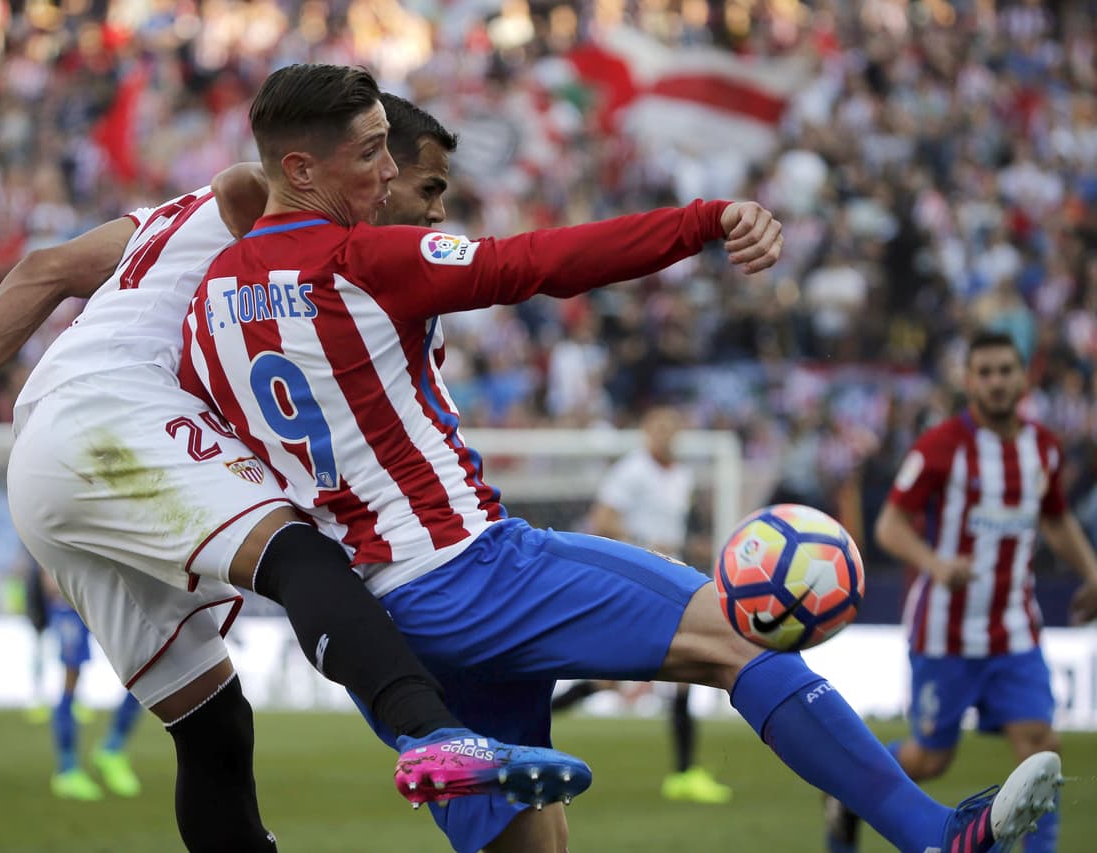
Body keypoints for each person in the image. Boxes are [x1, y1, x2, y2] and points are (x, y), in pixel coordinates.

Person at [180, 62, 1063, 853]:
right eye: (370, 154)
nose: (385, 175)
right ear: (300, 169)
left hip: (383, 627)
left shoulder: (206, 303)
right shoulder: (361, 259)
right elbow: (539, 261)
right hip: (469, 566)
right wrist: (704, 221)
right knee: (738, 636)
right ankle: (932, 833)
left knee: (531, 840)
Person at [0, 97, 588, 852]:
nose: (392, 194)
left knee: (213, 724)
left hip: (47, 466)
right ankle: (437, 735)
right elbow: (247, 179)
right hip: (112, 414)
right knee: (298, 549)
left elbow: (44, 268)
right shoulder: (261, 207)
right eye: (383, 170)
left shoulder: (159, 226)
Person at [824, 329, 1097, 853]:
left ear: (1023, 377)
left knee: (1040, 745)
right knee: (931, 759)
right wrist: (935, 563)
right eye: (985, 373)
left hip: (1015, 630)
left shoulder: (1043, 449)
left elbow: (1057, 520)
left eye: (1005, 371)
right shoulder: (940, 447)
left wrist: (1091, 572)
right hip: (944, 633)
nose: (996, 382)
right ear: (969, 381)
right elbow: (889, 527)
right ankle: (850, 792)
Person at [581, 405, 732, 805]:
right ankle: (684, 773)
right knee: (605, 679)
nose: (665, 435)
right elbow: (602, 521)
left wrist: (686, 546)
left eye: (671, 428)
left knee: (672, 677)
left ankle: (684, 773)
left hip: (668, 577)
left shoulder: (681, 476)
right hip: (633, 578)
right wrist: (644, 540)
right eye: (658, 427)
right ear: (646, 432)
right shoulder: (631, 471)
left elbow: (671, 531)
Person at [39, 567, 144, 801]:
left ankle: (112, 749)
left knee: (146, 668)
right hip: (71, 598)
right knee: (70, 680)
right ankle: (67, 770)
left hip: (114, 595)